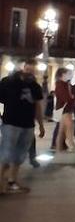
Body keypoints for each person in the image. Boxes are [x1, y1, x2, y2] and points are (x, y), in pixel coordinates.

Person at [0, 60, 45, 194]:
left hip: (28, 125)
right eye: (28, 69)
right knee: (6, 153)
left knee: (19, 155)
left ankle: (12, 181)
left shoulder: (35, 86)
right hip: (11, 123)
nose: (30, 72)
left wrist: (41, 125)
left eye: (33, 70)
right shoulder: (8, 81)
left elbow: (37, 106)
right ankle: (1, 183)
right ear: (22, 67)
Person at [52, 69, 75, 151]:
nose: (70, 75)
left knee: (61, 132)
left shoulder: (67, 84)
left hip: (66, 109)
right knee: (69, 129)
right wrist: (73, 98)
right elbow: (66, 98)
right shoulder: (60, 85)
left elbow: (74, 95)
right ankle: (71, 146)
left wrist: (72, 97)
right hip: (64, 110)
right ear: (63, 74)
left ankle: (59, 150)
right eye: (68, 73)